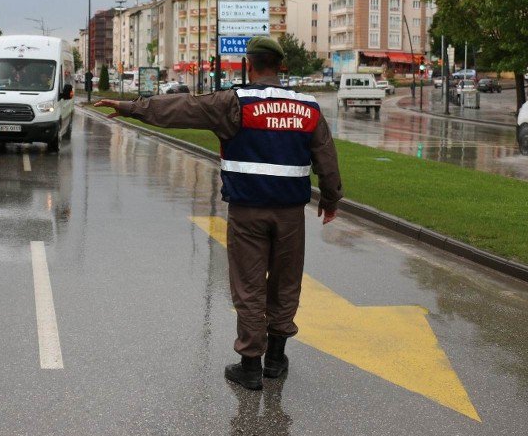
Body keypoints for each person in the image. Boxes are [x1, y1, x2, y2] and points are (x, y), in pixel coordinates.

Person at [94, 36, 342, 390]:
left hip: (247, 212)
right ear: (281, 66)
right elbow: (327, 161)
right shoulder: (308, 108)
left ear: (250, 64)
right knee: (286, 284)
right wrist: (331, 201)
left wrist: (132, 107)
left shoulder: (233, 102)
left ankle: (250, 366)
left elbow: (180, 108)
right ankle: (276, 358)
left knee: (249, 286)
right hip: (289, 215)